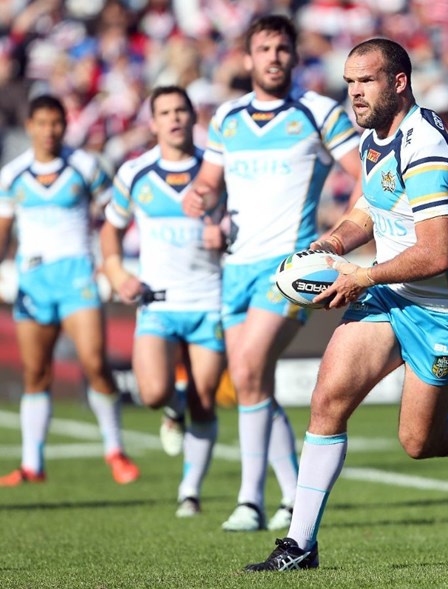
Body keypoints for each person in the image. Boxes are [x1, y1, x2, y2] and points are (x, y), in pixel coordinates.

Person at [243, 37, 448, 573]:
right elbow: (368, 210)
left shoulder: (427, 152)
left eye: (365, 81)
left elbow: (437, 252)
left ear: (399, 82)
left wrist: (361, 276)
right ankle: (300, 546)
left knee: (420, 441)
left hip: (446, 312)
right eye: (349, 83)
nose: (354, 93)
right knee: (327, 401)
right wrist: (328, 247)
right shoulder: (374, 136)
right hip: (390, 293)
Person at [181, 14, 362, 532]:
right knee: (249, 383)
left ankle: (249, 501)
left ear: (294, 57)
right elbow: (211, 184)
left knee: (249, 369)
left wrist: (335, 241)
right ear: (248, 58)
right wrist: (203, 201)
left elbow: (364, 179)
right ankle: (289, 495)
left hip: (286, 268)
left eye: (283, 49)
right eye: (265, 49)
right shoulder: (227, 119)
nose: (275, 57)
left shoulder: (320, 112)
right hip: (235, 265)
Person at [0, 95, 140, 486]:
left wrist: (108, 259)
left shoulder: (86, 167)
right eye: (42, 123)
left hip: (77, 276)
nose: (49, 131)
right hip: (33, 282)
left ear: (65, 125)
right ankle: (32, 464)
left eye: (56, 123)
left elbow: (114, 217)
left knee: (94, 362)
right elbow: (4, 229)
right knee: (35, 372)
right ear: (30, 126)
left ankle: (115, 450)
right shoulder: (12, 175)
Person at [100, 86, 225, 517]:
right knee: (153, 392)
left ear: (193, 117)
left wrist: (225, 232)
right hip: (157, 302)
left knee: (205, 399)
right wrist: (117, 273)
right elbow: (110, 230)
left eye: (181, 111)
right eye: (164, 112)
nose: (174, 119)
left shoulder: (216, 168)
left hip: (208, 300)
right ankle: (171, 411)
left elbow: (240, 219)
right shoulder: (134, 172)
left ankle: (189, 491)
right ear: (152, 123)